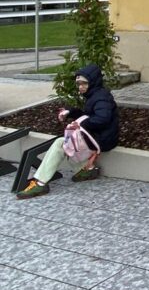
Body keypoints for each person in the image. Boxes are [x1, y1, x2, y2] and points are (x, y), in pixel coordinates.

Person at [16, 64, 119, 199]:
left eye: (84, 83)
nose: (80, 86)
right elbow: (89, 115)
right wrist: (70, 112)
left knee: (62, 143)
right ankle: (86, 169)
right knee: (69, 140)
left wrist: (80, 125)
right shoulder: (95, 94)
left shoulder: (101, 98)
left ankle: (40, 183)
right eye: (78, 84)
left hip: (103, 139)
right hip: (99, 135)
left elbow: (102, 119)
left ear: (93, 82)